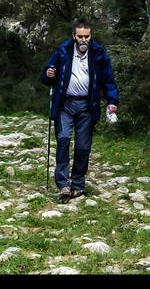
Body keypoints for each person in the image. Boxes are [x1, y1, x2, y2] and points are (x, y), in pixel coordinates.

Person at [41, 17, 119, 201]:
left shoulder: (99, 54)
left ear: (91, 36)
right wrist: (48, 73)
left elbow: (108, 80)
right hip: (64, 105)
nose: (83, 40)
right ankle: (63, 185)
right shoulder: (63, 51)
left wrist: (112, 100)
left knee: (83, 147)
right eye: (80, 36)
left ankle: (77, 184)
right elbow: (47, 76)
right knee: (63, 139)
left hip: (87, 106)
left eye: (87, 36)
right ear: (74, 36)